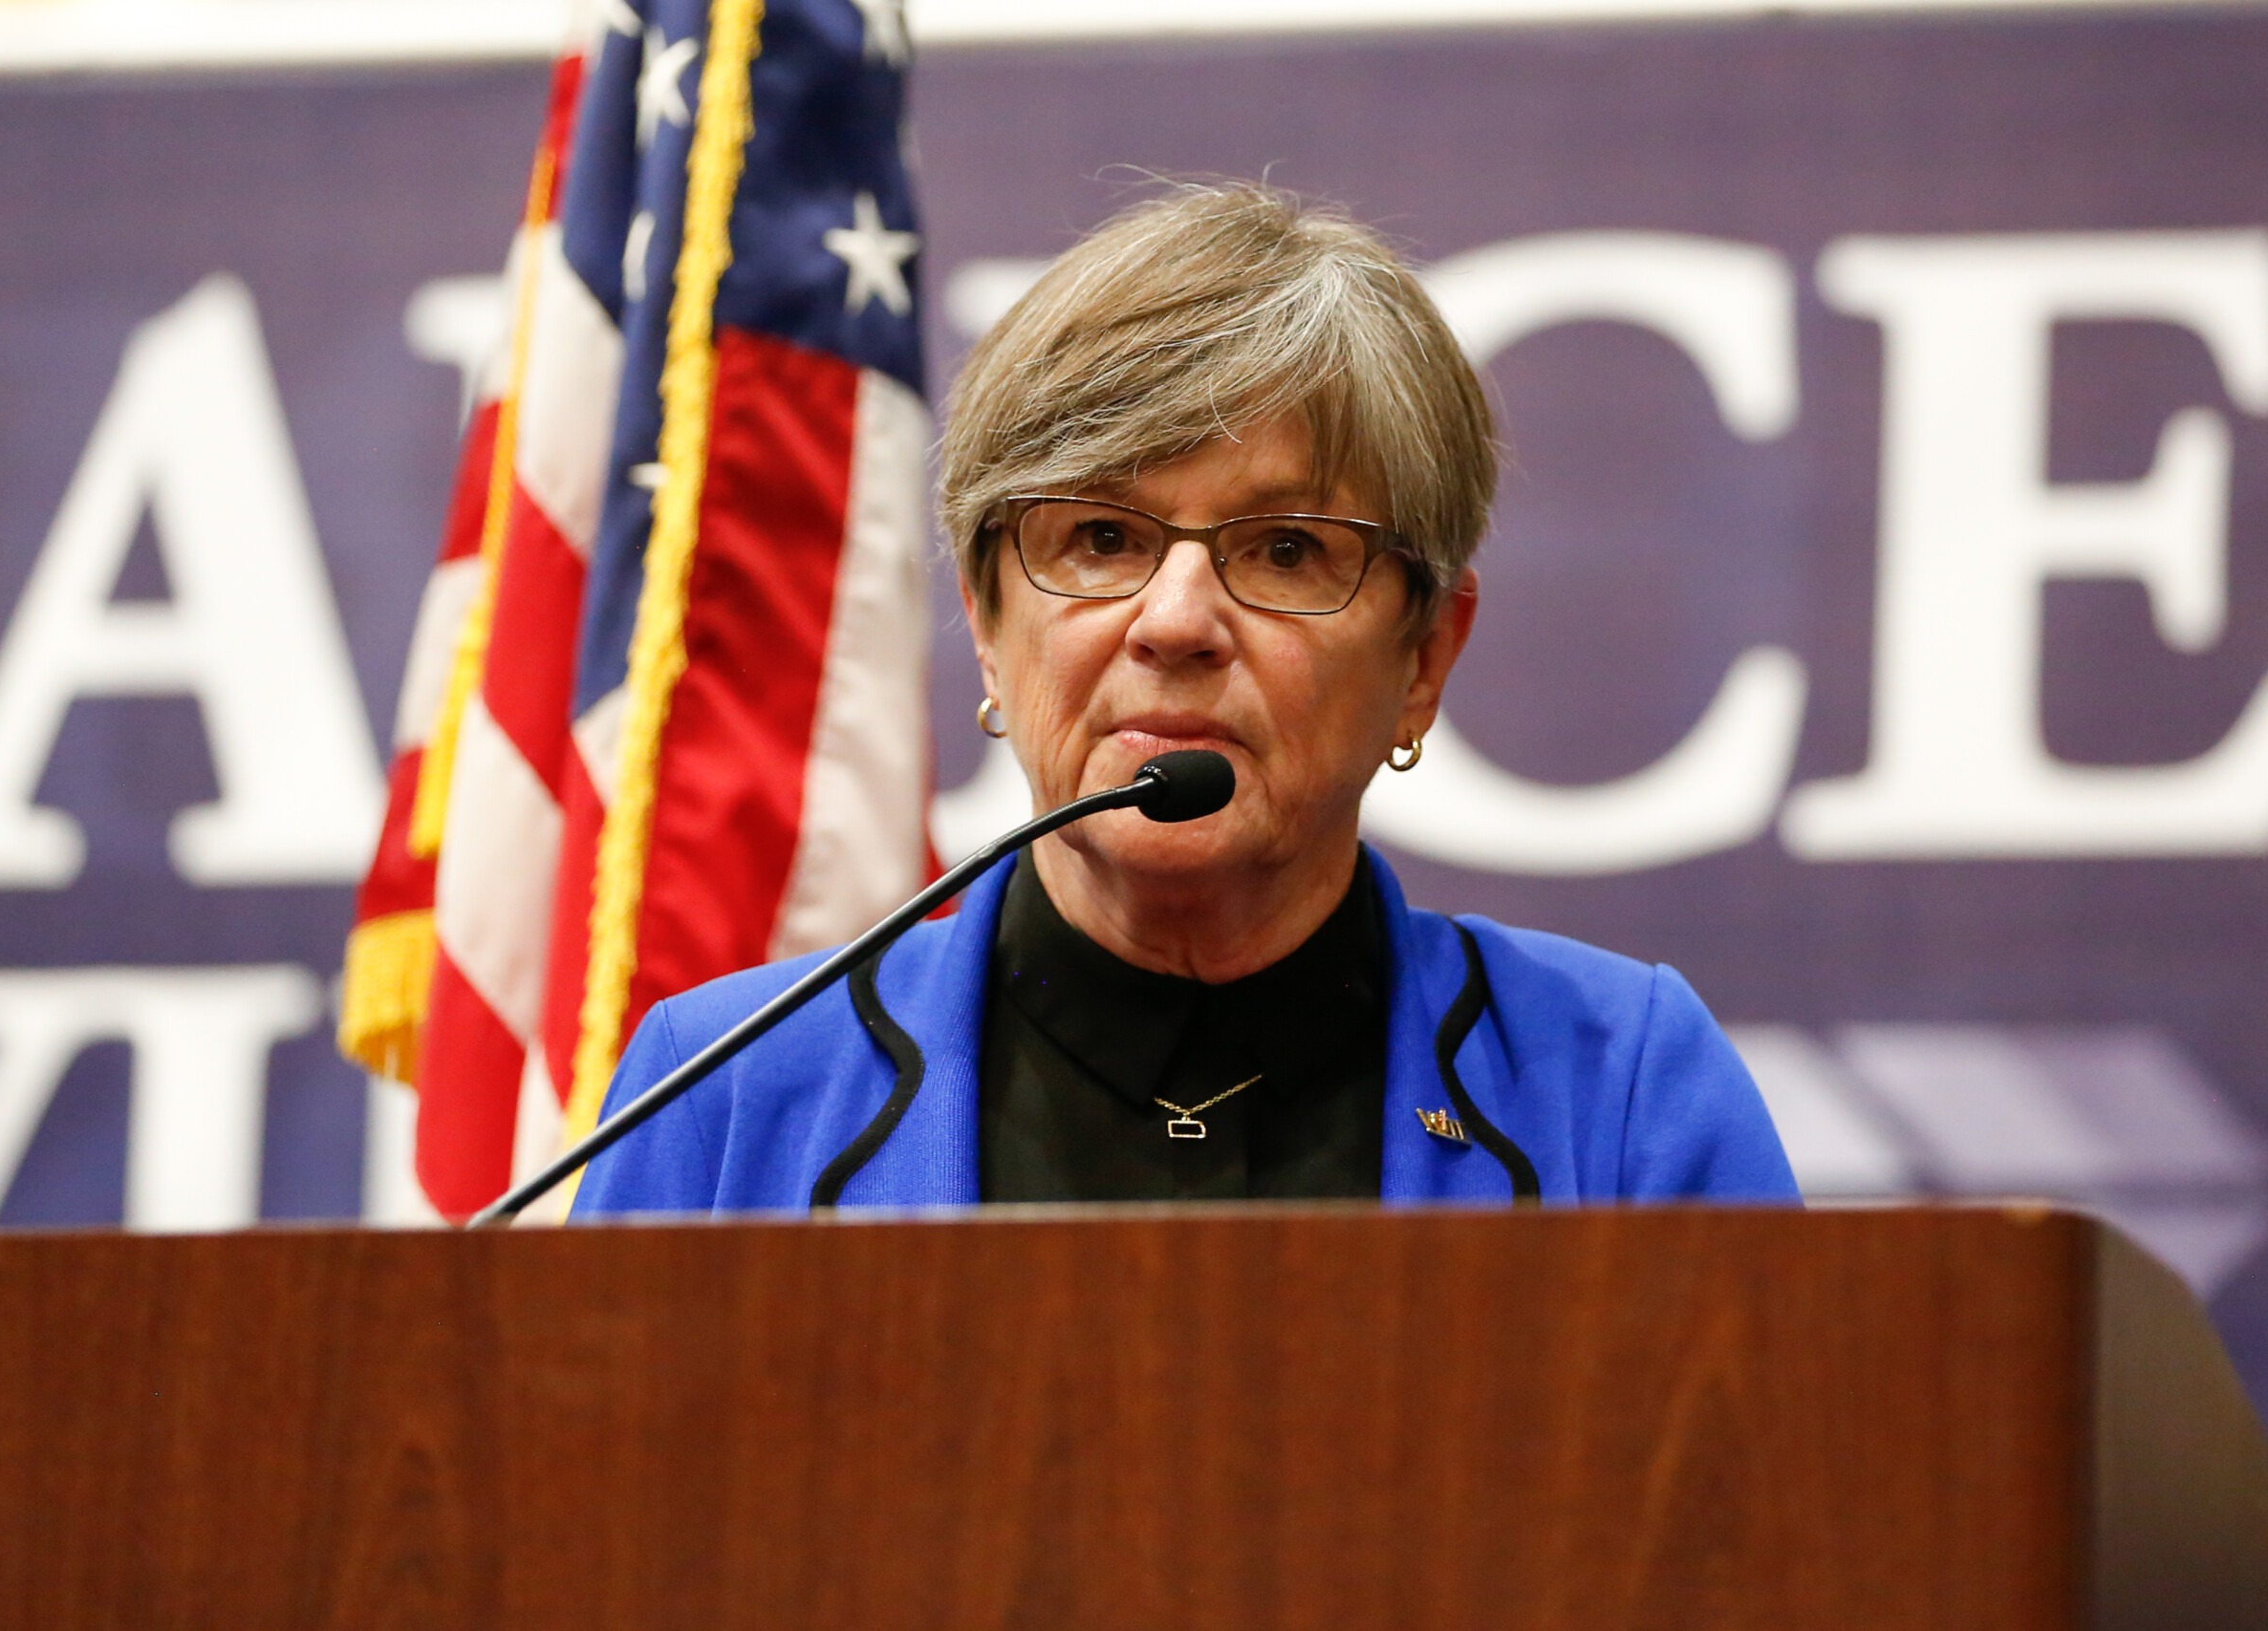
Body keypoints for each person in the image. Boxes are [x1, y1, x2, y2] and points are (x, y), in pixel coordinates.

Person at [573, 183, 1798, 1215]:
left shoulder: (1621, 1090)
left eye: (1284, 550)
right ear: (990, 633)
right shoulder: (726, 1094)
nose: (1174, 622)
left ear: (1424, 661)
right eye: (1100, 535)